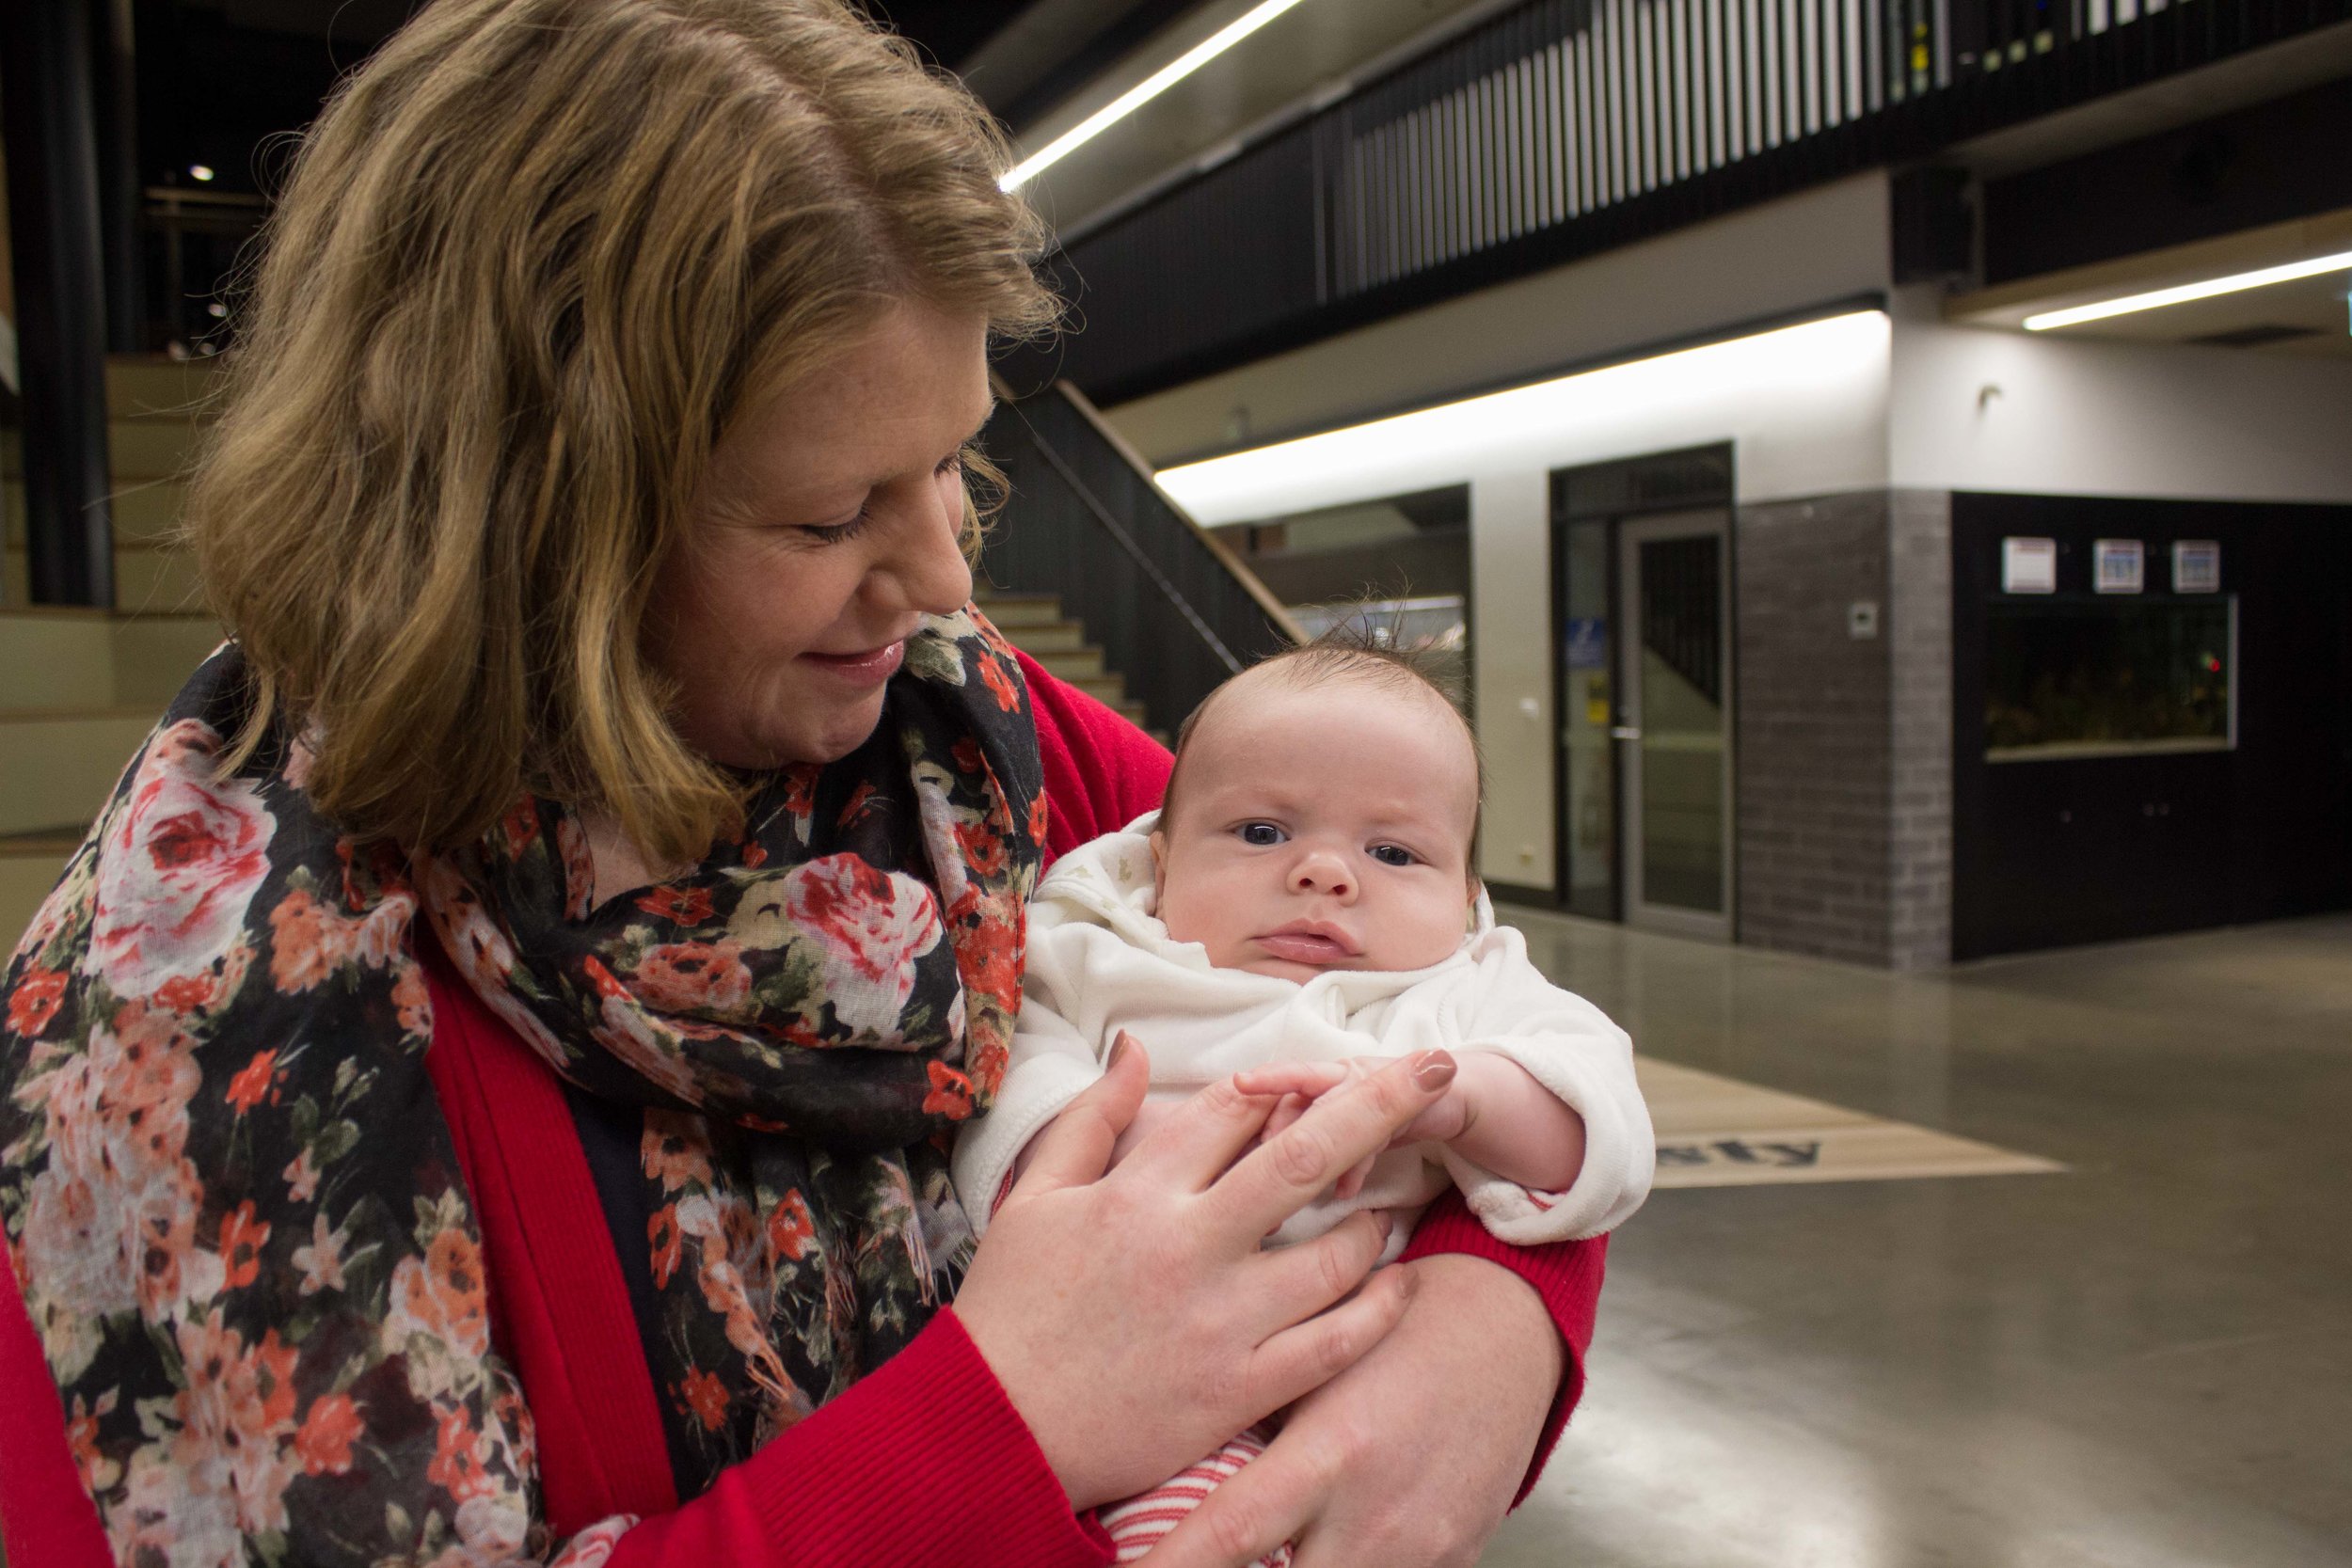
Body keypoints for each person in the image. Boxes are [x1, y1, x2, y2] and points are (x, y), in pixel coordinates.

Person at [0, 2, 1610, 1565]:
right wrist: (1016, 1420)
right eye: (829, 513)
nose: (934, 577)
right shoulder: (183, 1044)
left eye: (952, 463)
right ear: (529, 527)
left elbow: (1428, 992)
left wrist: (1493, 1329)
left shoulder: (975, 744)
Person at [955, 641, 1655, 1563]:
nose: (1326, 872)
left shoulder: (1462, 990)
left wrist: (1462, 1100)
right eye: (1260, 832)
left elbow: (1597, 1126)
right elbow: (1013, 1069)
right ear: (1157, 864)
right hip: (1114, 1367)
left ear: (1467, 898)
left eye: (1394, 850)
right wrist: (1083, 1156)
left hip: (1358, 1374)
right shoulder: (1097, 946)